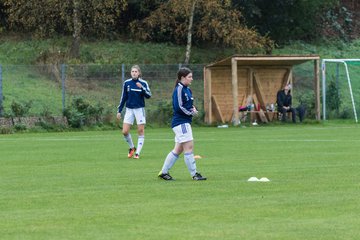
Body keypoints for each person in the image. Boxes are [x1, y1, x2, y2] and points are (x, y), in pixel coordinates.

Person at [158, 67, 207, 181]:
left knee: (178, 150)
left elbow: (188, 104)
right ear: (182, 78)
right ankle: (194, 174)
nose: (192, 79)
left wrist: (193, 109)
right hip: (181, 123)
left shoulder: (187, 89)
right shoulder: (179, 89)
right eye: (189, 77)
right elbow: (178, 106)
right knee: (189, 147)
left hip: (183, 122)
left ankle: (164, 172)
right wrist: (191, 113)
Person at [117, 65, 151, 159]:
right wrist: (119, 110)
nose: (134, 73)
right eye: (132, 71)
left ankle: (137, 153)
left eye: (136, 71)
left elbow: (148, 95)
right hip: (129, 109)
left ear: (139, 73)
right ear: (131, 73)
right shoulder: (127, 83)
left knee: (140, 131)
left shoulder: (143, 83)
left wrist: (142, 88)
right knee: (125, 131)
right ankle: (132, 148)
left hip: (139, 109)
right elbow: (123, 97)